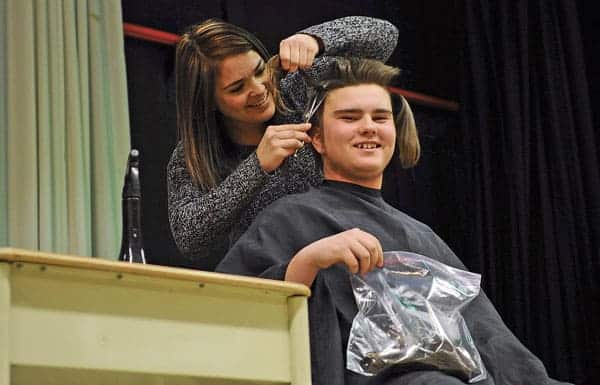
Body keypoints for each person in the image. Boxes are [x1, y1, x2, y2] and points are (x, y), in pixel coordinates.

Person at [216, 58, 571, 385]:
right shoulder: (290, 218)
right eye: (350, 118)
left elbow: (491, 338)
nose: (368, 128)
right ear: (318, 139)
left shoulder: (422, 236)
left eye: (380, 117)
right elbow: (226, 312)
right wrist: (308, 261)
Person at [167, 16, 399, 270]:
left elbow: (385, 37)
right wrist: (257, 167)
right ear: (208, 101)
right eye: (237, 88)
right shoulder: (193, 156)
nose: (259, 88)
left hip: (349, 259)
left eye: (258, 71)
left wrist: (315, 40)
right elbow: (190, 237)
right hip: (271, 282)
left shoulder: (299, 89)